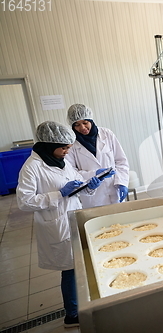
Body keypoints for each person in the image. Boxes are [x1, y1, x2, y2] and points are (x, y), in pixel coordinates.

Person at [16, 121, 106, 328]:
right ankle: (72, 314)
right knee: (70, 270)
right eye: (64, 147)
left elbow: (75, 185)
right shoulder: (32, 167)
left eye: (69, 147)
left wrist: (90, 186)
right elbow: (24, 202)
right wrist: (58, 194)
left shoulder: (62, 162)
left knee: (80, 266)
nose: (68, 151)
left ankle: (82, 305)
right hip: (56, 224)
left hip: (73, 217)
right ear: (48, 145)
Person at [65, 104, 130, 208]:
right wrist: (94, 174)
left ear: (90, 120)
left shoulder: (107, 134)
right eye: (77, 125)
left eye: (85, 122)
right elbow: (71, 172)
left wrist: (122, 182)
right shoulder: (71, 143)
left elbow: (121, 161)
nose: (82, 127)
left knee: (119, 222)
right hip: (92, 197)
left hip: (114, 189)